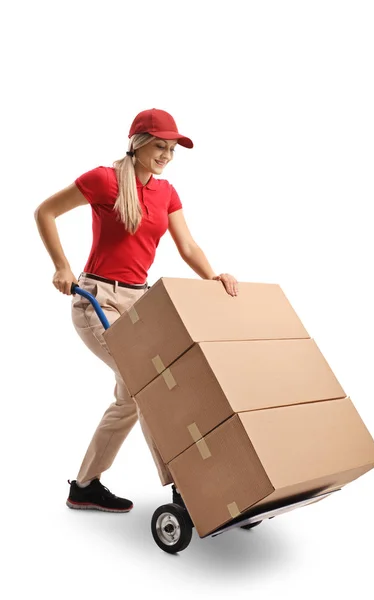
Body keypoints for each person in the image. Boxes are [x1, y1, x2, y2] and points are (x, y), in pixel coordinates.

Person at [34, 108, 239, 514]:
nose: (167, 155)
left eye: (172, 148)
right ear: (139, 144)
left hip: (140, 303)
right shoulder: (104, 180)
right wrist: (61, 265)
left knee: (131, 397)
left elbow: (187, 246)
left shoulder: (167, 193)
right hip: (98, 298)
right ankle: (185, 487)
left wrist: (212, 277)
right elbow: (45, 212)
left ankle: (86, 485)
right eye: (160, 146)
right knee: (148, 386)